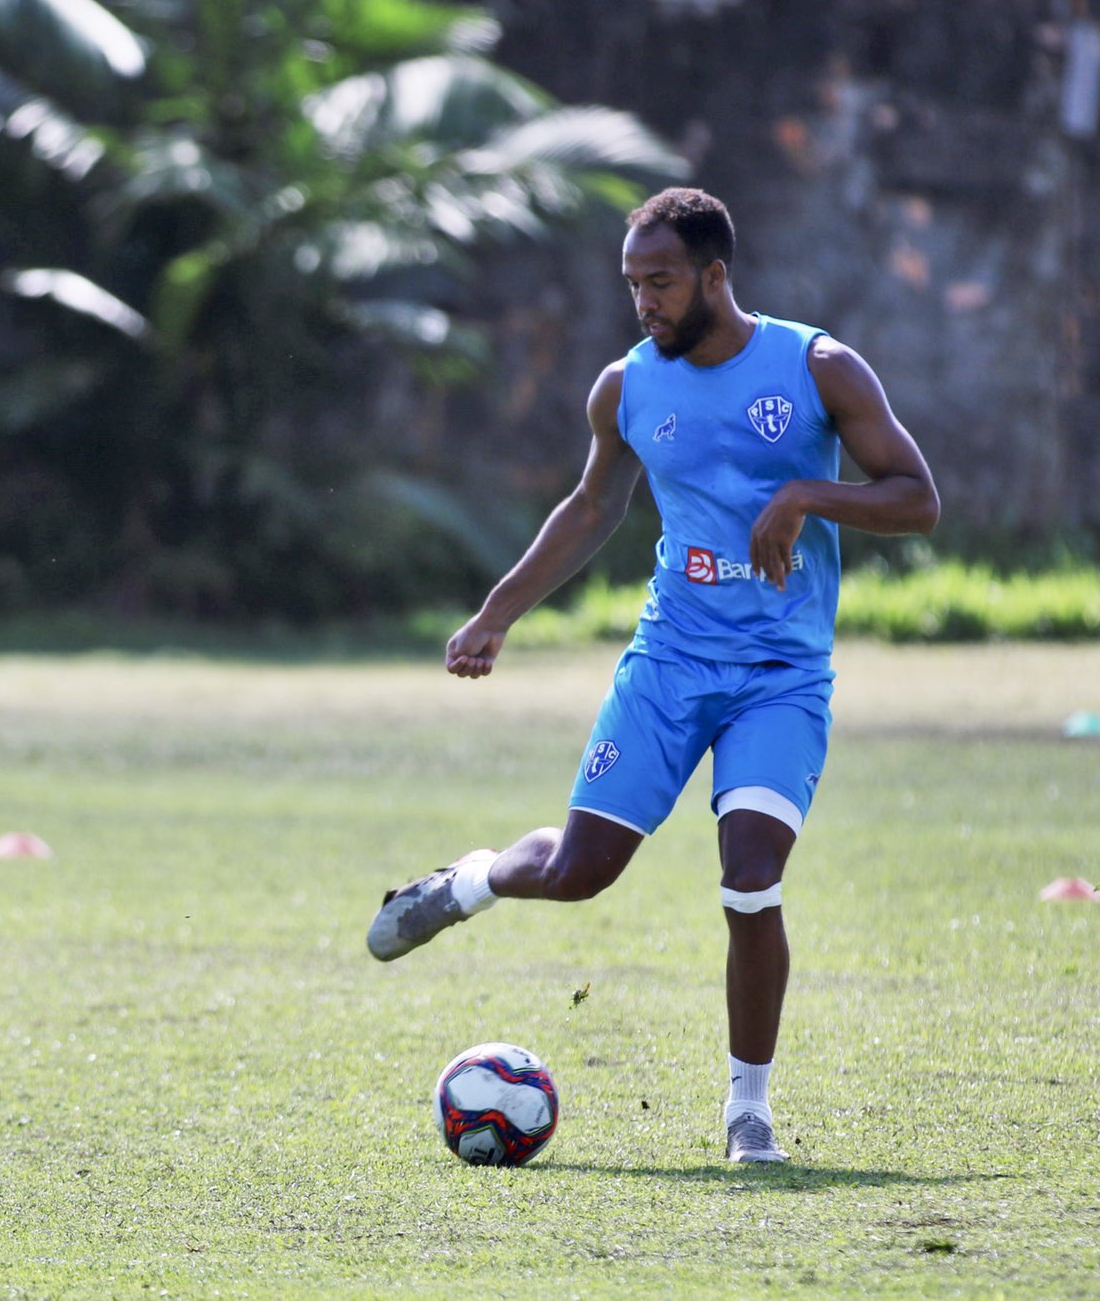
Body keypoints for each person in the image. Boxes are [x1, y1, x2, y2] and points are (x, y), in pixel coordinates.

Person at [365, 188, 939, 1164]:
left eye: (660, 282)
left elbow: (916, 499)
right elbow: (589, 510)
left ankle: (745, 1112)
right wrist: (494, 614)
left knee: (750, 877)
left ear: (715, 275)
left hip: (777, 673)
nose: (643, 302)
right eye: (632, 284)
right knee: (574, 874)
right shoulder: (624, 387)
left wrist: (803, 492)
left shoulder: (816, 366)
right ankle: (467, 881)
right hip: (669, 663)